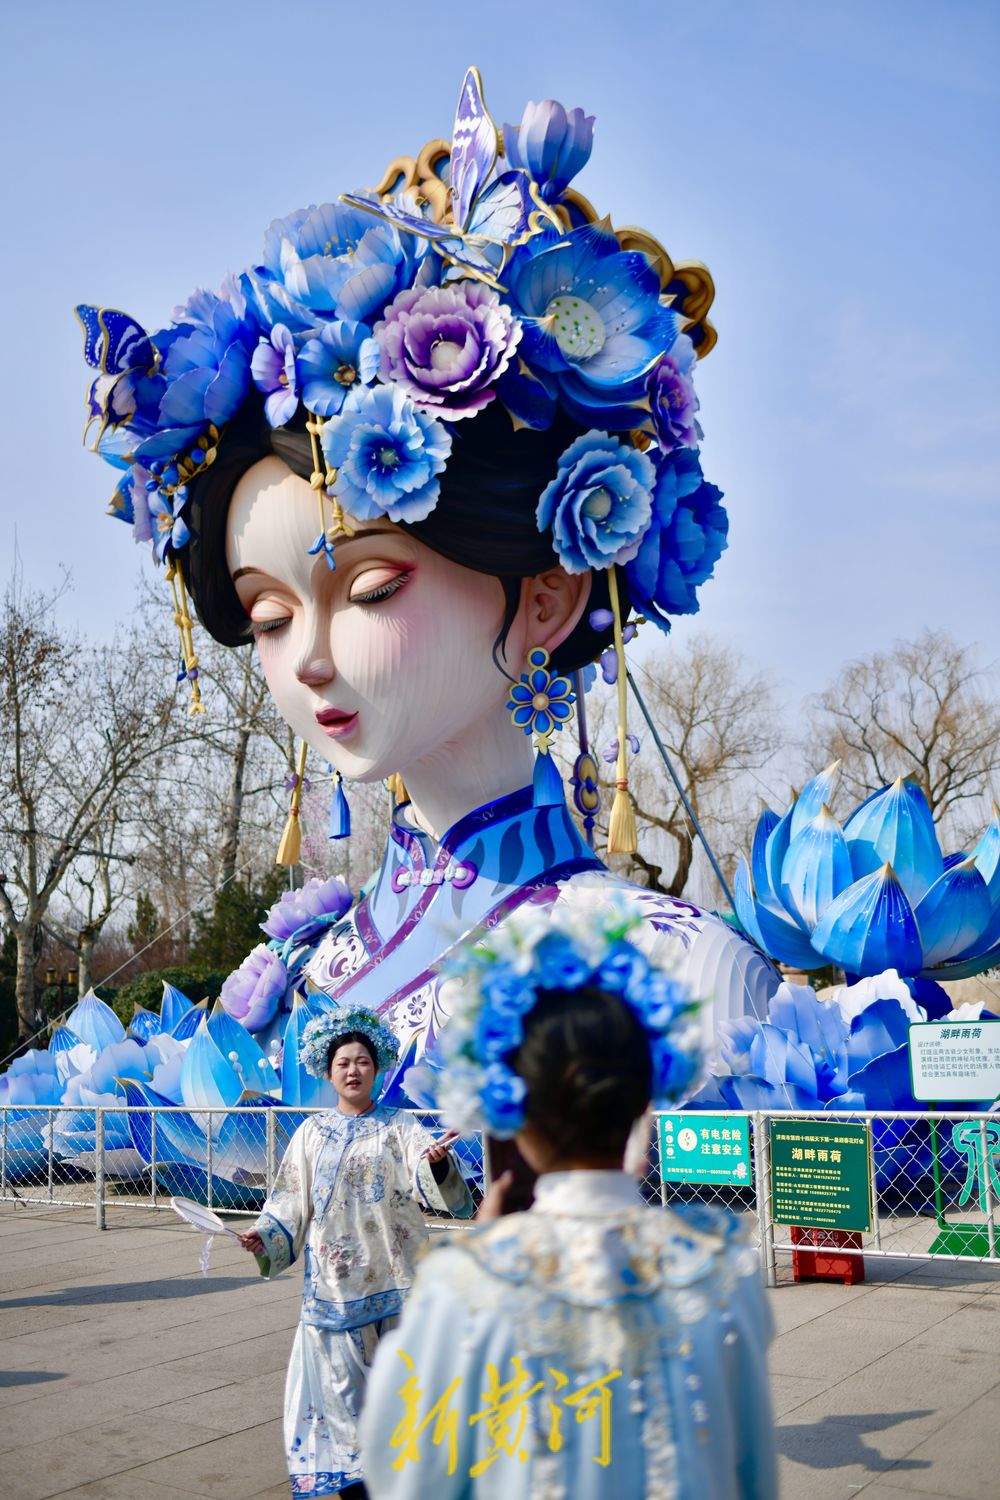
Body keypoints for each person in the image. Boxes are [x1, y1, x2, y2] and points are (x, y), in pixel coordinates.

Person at [75, 68, 776, 1095]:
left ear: (547, 593)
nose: (307, 659)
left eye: (368, 593)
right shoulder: (311, 972)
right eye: (269, 616)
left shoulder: (676, 975)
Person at [359, 900, 777, 1498]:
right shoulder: (719, 1270)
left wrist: (482, 1247)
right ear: (644, 1099)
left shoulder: (463, 1287)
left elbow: (408, 1471)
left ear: (509, 1111)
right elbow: (753, 1476)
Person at [238, 1005, 473, 1498]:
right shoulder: (309, 1134)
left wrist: (435, 1163)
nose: (353, 1070)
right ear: (328, 1071)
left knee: (403, 1402)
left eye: (362, 1061)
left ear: (377, 1067)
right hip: (333, 1294)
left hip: (399, 1286)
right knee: (343, 1409)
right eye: (343, 1062)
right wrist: (267, 1235)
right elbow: (288, 1203)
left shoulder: (400, 1125)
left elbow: (428, 1180)